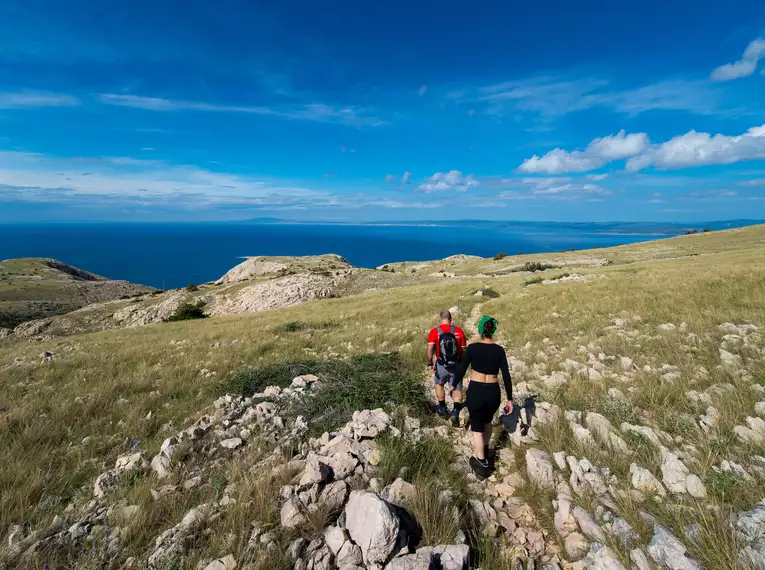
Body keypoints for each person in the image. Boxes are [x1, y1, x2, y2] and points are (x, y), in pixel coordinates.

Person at [454, 315, 513, 480]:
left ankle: (482, 464)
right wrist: (509, 399)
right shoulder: (499, 350)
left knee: (477, 427)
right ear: (493, 331)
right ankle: (486, 450)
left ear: (480, 330)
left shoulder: (472, 348)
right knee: (487, 421)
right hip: (493, 391)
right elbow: (506, 377)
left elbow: (462, 369)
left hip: (476, 391)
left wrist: (454, 384)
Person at [426, 309, 468, 426]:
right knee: (457, 388)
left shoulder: (435, 332)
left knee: (439, 384)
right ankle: (455, 411)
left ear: (440, 320)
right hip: (456, 365)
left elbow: (430, 350)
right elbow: (464, 351)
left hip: (441, 365)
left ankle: (443, 408)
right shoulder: (459, 331)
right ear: (451, 319)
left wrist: (430, 364)